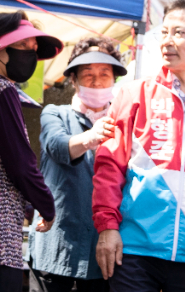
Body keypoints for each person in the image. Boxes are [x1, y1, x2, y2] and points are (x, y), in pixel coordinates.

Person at [92, 0, 185, 292]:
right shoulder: (133, 94)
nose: (168, 41)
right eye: (164, 32)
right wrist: (108, 227)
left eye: (179, 32)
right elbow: (109, 165)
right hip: (135, 249)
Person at [28, 37, 127, 292]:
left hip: (101, 250)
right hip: (56, 246)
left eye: (104, 74)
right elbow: (58, 146)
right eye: (87, 74)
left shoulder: (124, 122)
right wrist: (91, 137)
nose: (96, 81)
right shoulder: (54, 113)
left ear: (114, 79)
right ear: (73, 80)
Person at [0, 11, 62, 291]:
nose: (30, 54)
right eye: (22, 46)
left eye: (34, 50)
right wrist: (45, 205)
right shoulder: (4, 91)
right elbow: (21, 164)